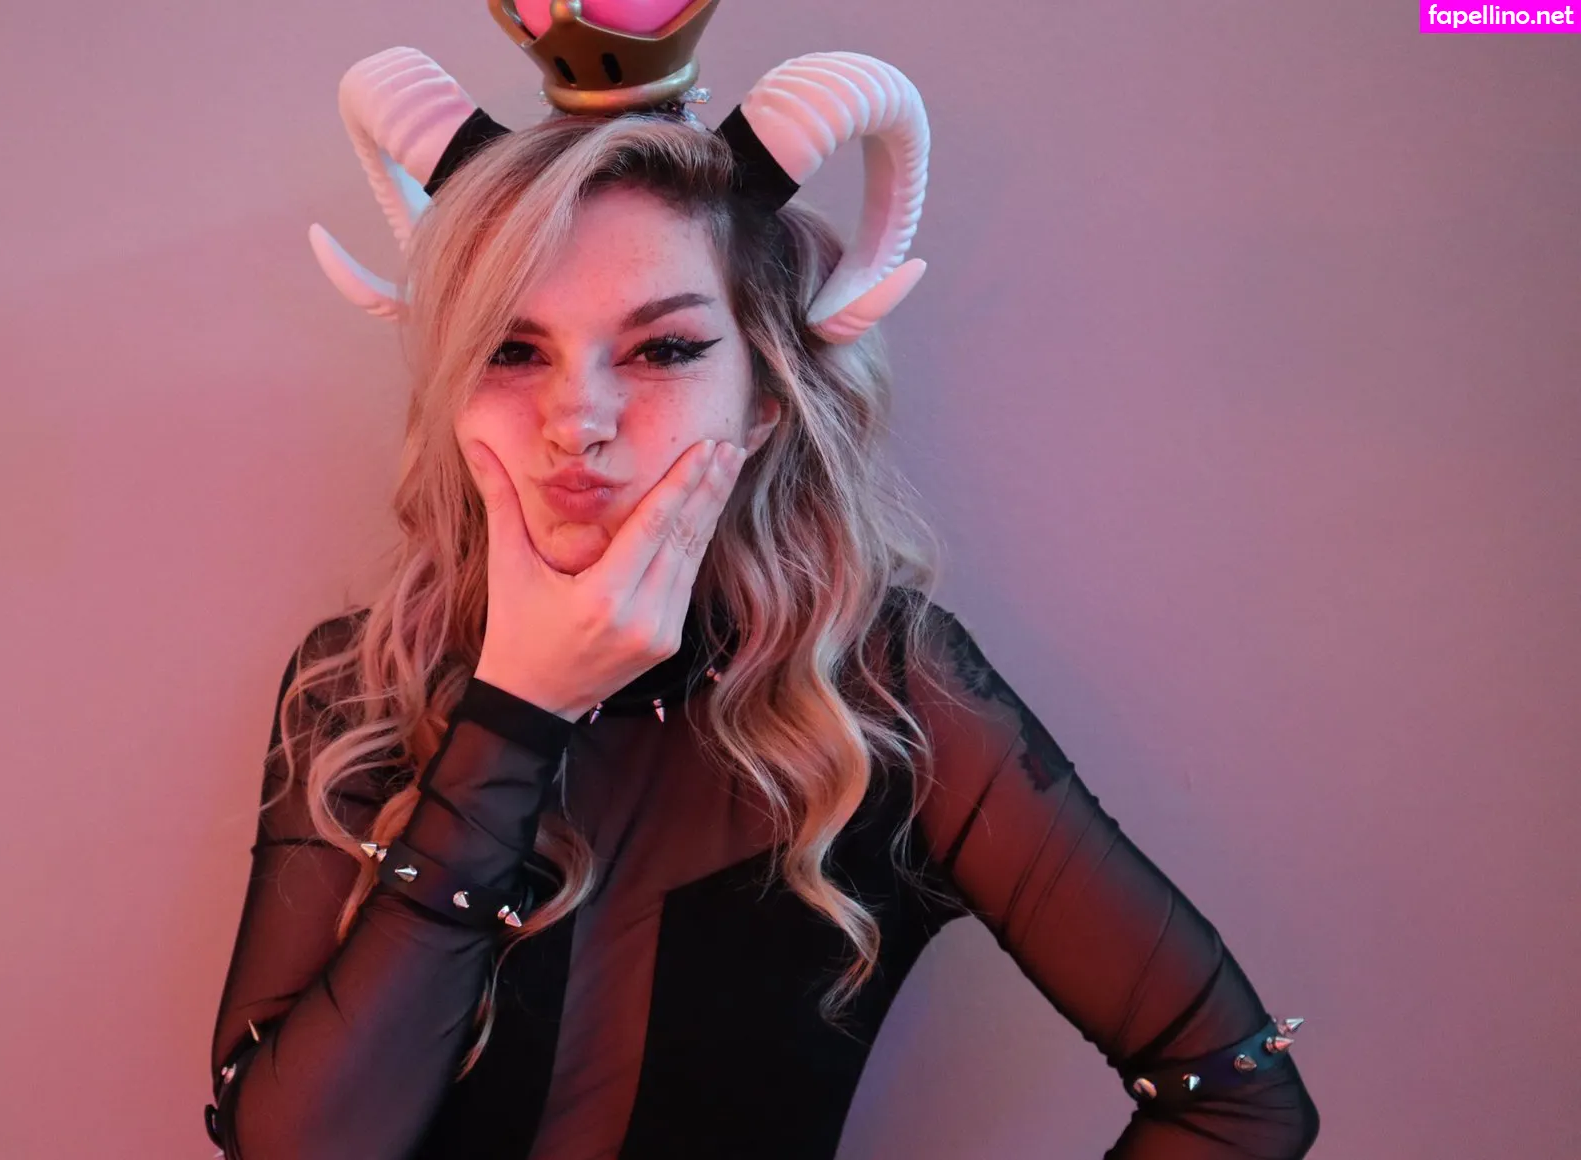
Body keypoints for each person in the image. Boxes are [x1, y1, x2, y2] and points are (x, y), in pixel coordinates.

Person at [204, 5, 1320, 1157]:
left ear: (764, 399)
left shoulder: (891, 694)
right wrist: (517, 711)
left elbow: (1237, 1101)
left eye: (664, 348)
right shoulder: (359, 683)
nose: (577, 420)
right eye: (513, 348)